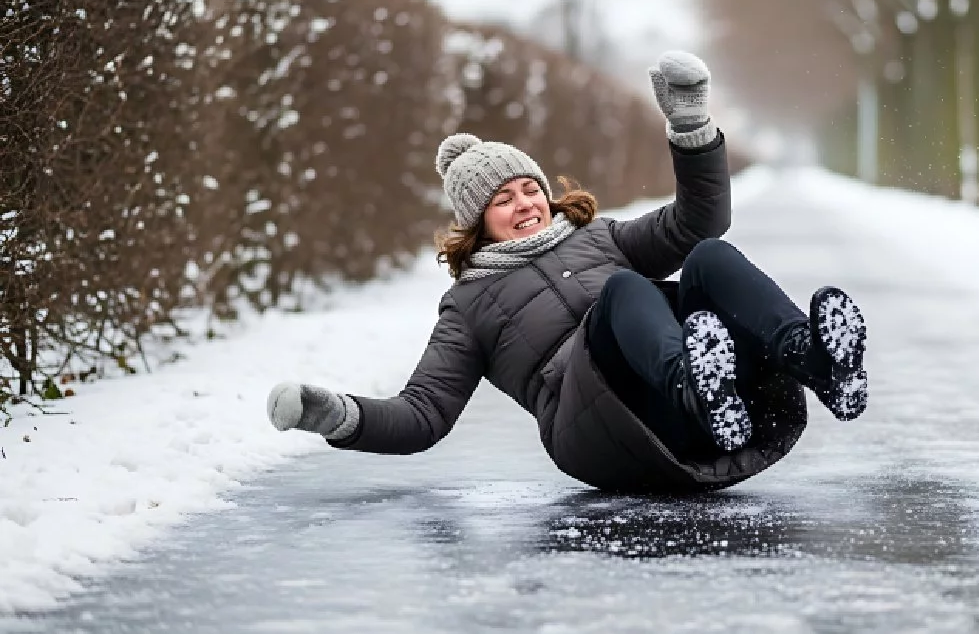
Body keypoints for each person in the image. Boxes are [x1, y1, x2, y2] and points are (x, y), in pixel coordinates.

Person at [267, 51, 868, 493]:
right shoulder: (470, 305)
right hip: (603, 432)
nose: (526, 203)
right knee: (625, 291)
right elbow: (422, 414)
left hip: (718, 419)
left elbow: (699, 222)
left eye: (532, 188)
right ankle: (695, 386)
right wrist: (333, 414)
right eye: (503, 199)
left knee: (707, 259)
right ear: (477, 223)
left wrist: (690, 127)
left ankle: (817, 362)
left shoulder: (599, 238)